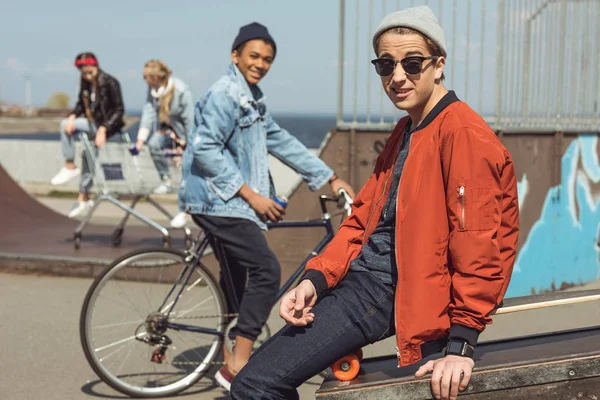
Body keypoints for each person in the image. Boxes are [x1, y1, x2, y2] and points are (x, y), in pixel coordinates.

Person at [231, 7, 520, 400]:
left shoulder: (463, 135)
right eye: (386, 65)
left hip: (384, 288)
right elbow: (362, 219)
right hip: (365, 280)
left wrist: (462, 344)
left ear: (439, 66)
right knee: (256, 380)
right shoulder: (408, 129)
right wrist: (315, 280)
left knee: (254, 384)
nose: (397, 76)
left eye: (412, 63)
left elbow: (480, 244)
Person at [178, 22, 355, 392]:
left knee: (237, 283)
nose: (261, 63)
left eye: (268, 59)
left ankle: (229, 352)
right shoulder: (226, 93)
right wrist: (252, 196)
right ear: (236, 55)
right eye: (254, 56)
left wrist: (329, 176)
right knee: (265, 270)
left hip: (227, 201)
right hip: (216, 200)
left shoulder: (251, 98)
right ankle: (238, 365)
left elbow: (283, 142)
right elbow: (204, 149)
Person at [50, 52, 125, 218]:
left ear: (95, 66)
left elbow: (119, 110)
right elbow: (80, 105)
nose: (86, 75)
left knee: (84, 151)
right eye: (82, 71)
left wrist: (104, 129)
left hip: (104, 126)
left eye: (88, 71)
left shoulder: (110, 82)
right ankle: (83, 196)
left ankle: (70, 166)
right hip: (92, 124)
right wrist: (72, 117)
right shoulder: (85, 83)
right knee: (87, 156)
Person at [135, 60, 193, 196]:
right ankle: (167, 181)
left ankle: (190, 184)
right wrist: (140, 140)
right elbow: (149, 112)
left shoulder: (181, 90)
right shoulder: (153, 89)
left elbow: (189, 118)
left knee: (189, 159)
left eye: (145, 77)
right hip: (167, 130)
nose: (144, 80)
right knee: (154, 144)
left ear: (155, 78)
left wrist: (190, 142)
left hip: (182, 133)